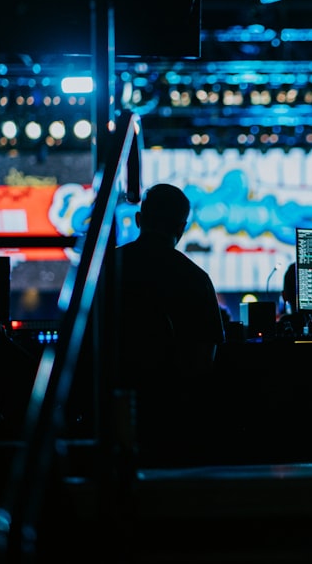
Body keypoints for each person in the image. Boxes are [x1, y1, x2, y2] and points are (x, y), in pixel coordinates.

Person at [113, 182, 226, 466]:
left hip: (107, 416)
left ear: (139, 220)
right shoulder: (196, 279)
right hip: (174, 425)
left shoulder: (103, 270)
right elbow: (203, 364)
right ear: (182, 227)